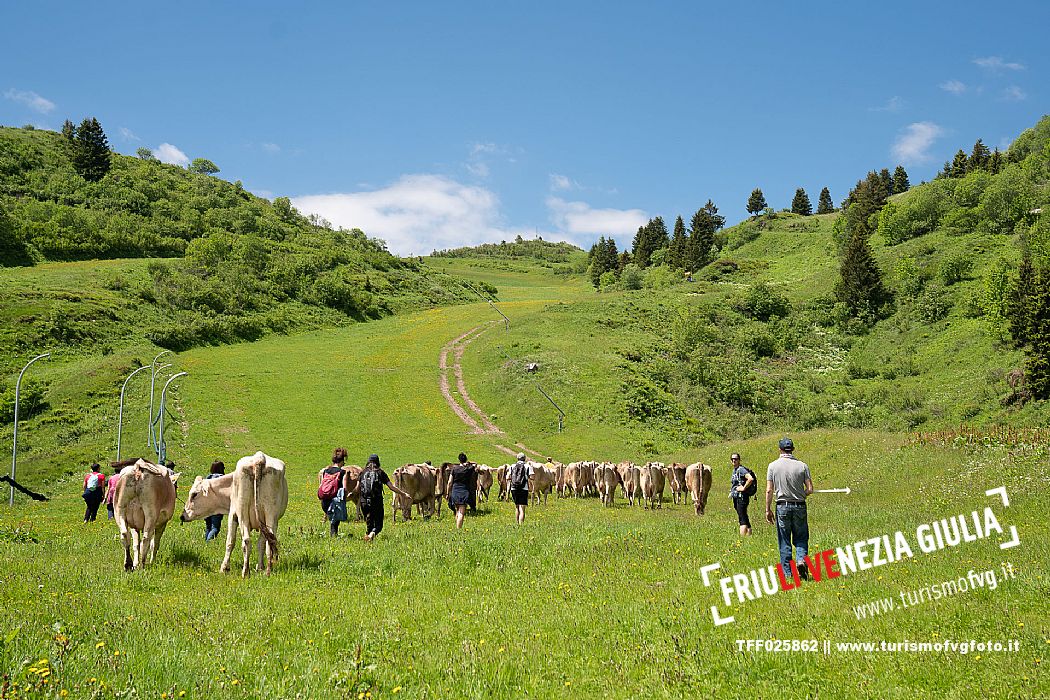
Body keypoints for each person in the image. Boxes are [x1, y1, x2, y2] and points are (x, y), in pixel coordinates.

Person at [765, 438, 814, 579]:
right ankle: (801, 560)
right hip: (799, 505)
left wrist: (767, 509)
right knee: (801, 537)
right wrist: (801, 494)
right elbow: (810, 489)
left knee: (784, 539)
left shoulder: (772, 466)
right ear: (792, 449)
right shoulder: (802, 466)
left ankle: (788, 574)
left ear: (780, 449)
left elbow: (769, 490)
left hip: (782, 506)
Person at [358, 454, 410, 541]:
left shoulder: (363, 472)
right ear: (378, 462)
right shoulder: (380, 472)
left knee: (369, 521)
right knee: (379, 524)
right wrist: (403, 494)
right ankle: (372, 535)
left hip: (364, 501)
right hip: (376, 501)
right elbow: (391, 487)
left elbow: (357, 487)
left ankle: (368, 537)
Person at [318, 448, 348, 537]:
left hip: (324, 501)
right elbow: (344, 489)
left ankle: (332, 536)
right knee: (335, 522)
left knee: (332, 520)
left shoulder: (325, 471)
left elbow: (321, 485)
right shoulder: (342, 472)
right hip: (334, 501)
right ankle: (333, 538)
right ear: (342, 461)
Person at [447, 453, 477, 529]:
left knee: (457, 510)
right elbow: (475, 464)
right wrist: (469, 463)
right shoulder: (468, 469)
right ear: (466, 459)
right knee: (461, 513)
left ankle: (457, 526)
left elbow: (450, 482)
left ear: (459, 460)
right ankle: (458, 529)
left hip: (455, 491)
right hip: (464, 491)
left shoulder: (454, 469)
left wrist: (448, 493)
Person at [729, 453, 755, 536]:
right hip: (737, 496)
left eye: (736, 459)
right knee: (744, 516)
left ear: (739, 460)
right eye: (732, 459)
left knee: (742, 517)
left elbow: (750, 478)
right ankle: (749, 535)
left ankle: (742, 538)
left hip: (742, 496)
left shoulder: (741, 469)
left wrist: (744, 488)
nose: (734, 460)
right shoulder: (735, 470)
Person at [507, 453, 533, 524]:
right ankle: (521, 525)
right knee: (522, 508)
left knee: (517, 507)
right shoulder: (527, 466)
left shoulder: (512, 466)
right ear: (525, 458)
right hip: (523, 488)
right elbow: (532, 477)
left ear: (517, 458)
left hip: (514, 488)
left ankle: (516, 523)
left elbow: (508, 477)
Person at [203, 460, 225, 541]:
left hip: (206, 505)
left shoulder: (207, 478)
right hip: (217, 506)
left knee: (208, 526)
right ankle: (208, 543)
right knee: (215, 528)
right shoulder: (222, 478)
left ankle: (206, 544)